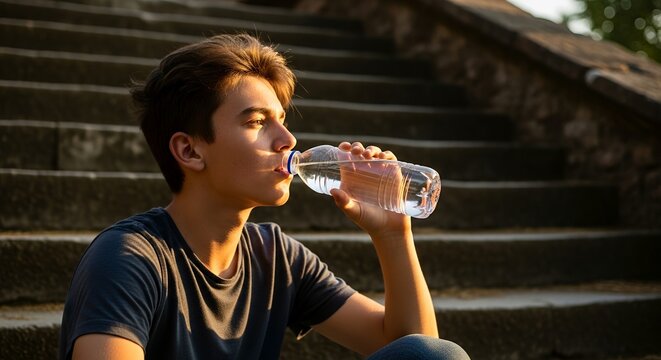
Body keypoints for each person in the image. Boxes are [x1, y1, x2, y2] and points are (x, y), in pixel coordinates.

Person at [58, 34, 470, 360]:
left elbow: (414, 349)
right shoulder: (129, 260)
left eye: (283, 120)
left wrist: (393, 236)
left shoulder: (277, 258)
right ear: (190, 150)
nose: (287, 140)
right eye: (257, 122)